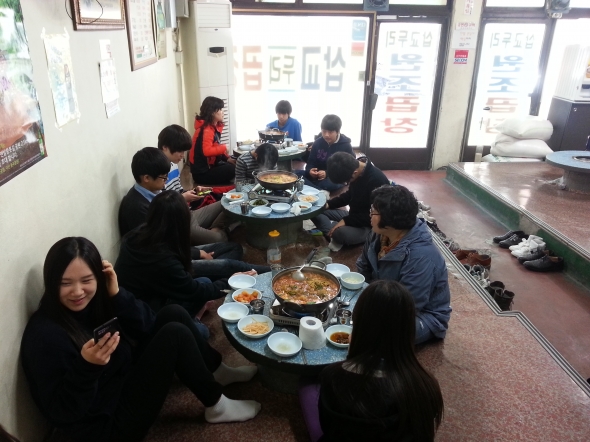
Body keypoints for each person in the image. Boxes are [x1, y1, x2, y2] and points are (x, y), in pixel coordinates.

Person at [21, 237, 261, 442]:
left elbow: (148, 324)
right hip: (105, 426)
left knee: (173, 313)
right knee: (174, 335)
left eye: (86, 280)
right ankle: (217, 406)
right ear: (51, 283)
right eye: (65, 283)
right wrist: (86, 368)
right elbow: (61, 414)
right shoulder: (44, 335)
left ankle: (217, 371)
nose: (77, 292)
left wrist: (116, 294)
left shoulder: (95, 303)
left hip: (120, 381)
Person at [299, 280, 444, 442]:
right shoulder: (425, 385)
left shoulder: (333, 376)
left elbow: (327, 427)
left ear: (359, 326)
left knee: (307, 383)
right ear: (409, 329)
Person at [115, 191, 270, 324]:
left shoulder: (143, 232)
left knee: (230, 251)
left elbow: (174, 251)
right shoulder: (164, 261)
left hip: (165, 283)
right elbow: (195, 290)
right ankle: (273, 271)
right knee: (202, 329)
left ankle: (271, 271)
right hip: (150, 312)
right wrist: (230, 282)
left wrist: (199, 254)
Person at [356, 185, 452, 344]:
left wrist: (371, 314)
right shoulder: (379, 233)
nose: (370, 214)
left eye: (374, 211)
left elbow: (409, 304)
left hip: (420, 315)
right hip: (383, 299)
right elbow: (363, 267)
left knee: (375, 335)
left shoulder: (421, 256)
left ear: (389, 220)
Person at [158, 124, 229, 245]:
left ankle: (214, 230)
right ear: (165, 147)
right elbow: (162, 207)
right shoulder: (157, 173)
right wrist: (183, 198)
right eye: (179, 151)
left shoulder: (173, 165)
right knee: (219, 239)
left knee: (228, 203)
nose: (182, 155)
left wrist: (194, 191)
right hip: (178, 221)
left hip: (188, 213)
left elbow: (179, 191)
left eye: (184, 151)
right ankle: (217, 233)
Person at [310, 152, 390, 252]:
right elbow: (349, 195)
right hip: (354, 216)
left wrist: (346, 221)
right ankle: (333, 229)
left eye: (346, 182)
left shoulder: (377, 180)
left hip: (370, 224)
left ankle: (335, 232)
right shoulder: (355, 169)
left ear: (354, 173)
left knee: (340, 234)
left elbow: (378, 216)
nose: (347, 184)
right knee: (315, 210)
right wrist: (328, 204)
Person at [118, 147, 170, 237]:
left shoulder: (154, 190)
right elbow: (154, 240)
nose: (167, 179)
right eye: (164, 177)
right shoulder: (137, 208)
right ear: (146, 178)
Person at [295, 114, 353, 192]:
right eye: (324, 131)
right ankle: (319, 190)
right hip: (317, 176)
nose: (326, 135)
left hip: (333, 177)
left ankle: (311, 187)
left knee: (331, 183)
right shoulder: (317, 143)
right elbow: (310, 163)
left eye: (330, 132)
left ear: (338, 131)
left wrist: (327, 174)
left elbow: (347, 169)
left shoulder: (346, 146)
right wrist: (310, 171)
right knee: (294, 174)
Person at [189, 96, 236, 185]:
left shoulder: (211, 127)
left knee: (233, 163)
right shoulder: (207, 129)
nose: (223, 112)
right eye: (220, 109)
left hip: (209, 167)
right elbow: (206, 151)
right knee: (232, 170)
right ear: (212, 112)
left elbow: (215, 146)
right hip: (201, 173)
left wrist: (227, 158)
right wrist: (224, 148)